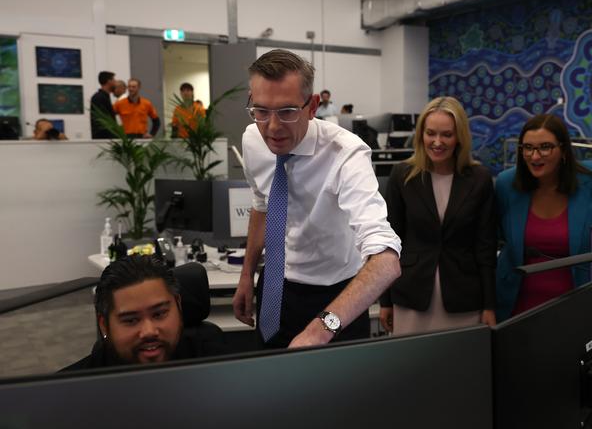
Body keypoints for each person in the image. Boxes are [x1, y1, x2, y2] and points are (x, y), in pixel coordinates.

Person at [233, 49, 401, 349]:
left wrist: (322, 328)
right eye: (261, 111)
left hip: (337, 297)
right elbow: (262, 206)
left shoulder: (346, 154)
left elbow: (386, 260)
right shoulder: (251, 139)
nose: (272, 127)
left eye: (286, 112)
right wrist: (247, 274)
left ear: (312, 106)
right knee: (272, 386)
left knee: (338, 394)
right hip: (274, 287)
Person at [379, 97, 497, 335]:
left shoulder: (479, 178)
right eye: (430, 133)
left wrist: (489, 305)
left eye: (447, 135)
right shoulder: (402, 175)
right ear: (421, 134)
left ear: (460, 137)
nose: (437, 142)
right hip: (411, 295)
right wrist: (385, 300)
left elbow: (485, 247)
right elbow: (390, 243)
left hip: (464, 297)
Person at [496, 114, 592, 321]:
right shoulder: (506, 185)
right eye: (527, 148)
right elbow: (501, 236)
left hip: (581, 305)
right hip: (516, 307)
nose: (535, 156)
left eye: (545, 147)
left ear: (564, 150)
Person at [63, 255, 221, 370]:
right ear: (104, 325)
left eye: (159, 314)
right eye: (131, 320)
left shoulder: (217, 363)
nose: (149, 331)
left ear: (178, 305)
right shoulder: (71, 390)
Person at [90, 71, 117, 139]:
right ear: (109, 81)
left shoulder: (104, 97)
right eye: (114, 79)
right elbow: (102, 121)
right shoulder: (99, 98)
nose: (116, 82)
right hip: (104, 139)